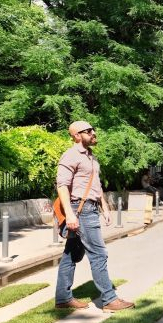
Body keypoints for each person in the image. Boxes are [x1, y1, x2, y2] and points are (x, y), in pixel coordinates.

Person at [55, 121, 135, 312]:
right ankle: (109, 300)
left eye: (93, 129)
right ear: (76, 135)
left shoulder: (91, 157)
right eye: (88, 131)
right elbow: (62, 186)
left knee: (72, 254)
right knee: (98, 254)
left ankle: (63, 298)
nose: (93, 133)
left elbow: (96, 186)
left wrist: (105, 208)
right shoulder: (70, 156)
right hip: (79, 210)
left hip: (89, 208)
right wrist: (71, 215)